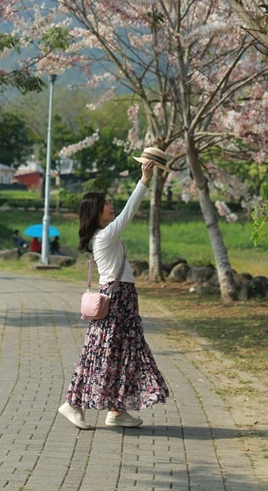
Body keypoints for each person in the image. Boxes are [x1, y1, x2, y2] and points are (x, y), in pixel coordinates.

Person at [58, 148, 170, 430]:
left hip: (124, 299)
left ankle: (117, 411)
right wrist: (144, 181)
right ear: (95, 212)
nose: (111, 205)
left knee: (121, 353)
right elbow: (129, 213)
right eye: (106, 203)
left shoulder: (106, 236)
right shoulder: (105, 236)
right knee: (102, 354)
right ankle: (72, 404)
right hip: (116, 300)